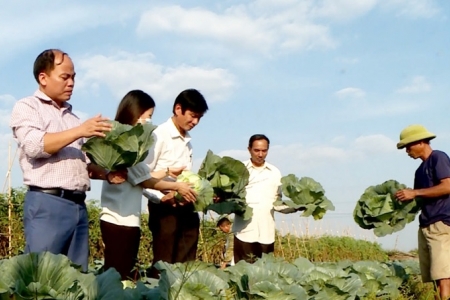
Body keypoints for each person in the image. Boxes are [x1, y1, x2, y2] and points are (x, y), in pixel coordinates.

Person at [9, 49, 126, 272]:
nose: (71, 83)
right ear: (43, 78)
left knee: (75, 280)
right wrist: (80, 130)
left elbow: (82, 162)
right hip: (47, 204)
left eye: (73, 77)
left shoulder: (72, 118)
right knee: (40, 278)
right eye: (65, 77)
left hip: (77, 207)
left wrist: (107, 174)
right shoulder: (27, 107)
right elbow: (35, 146)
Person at [100, 90, 197, 280]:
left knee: (122, 275)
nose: (149, 122)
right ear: (134, 113)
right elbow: (145, 180)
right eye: (148, 116)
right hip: (117, 219)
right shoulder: (124, 144)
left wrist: (169, 172)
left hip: (128, 219)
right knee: (116, 276)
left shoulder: (131, 143)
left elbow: (144, 175)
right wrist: (177, 187)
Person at [144, 88, 208, 278]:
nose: (195, 122)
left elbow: (185, 176)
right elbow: (142, 175)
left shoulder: (187, 142)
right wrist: (162, 197)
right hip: (164, 207)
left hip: (185, 206)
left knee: (187, 260)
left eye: (199, 118)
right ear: (178, 109)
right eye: (193, 116)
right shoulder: (158, 135)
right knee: (164, 262)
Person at [395, 124, 450, 300]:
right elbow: (419, 199)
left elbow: (447, 186)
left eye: (408, 146)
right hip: (426, 225)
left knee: (443, 274)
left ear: (420, 142)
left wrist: (415, 192)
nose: (407, 151)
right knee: (434, 275)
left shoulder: (438, 158)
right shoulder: (419, 171)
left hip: (441, 223)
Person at [232, 134, 283, 263]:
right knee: (241, 275)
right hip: (244, 232)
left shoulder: (275, 172)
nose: (260, 154)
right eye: (256, 150)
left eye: (264, 150)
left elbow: (278, 202)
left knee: (265, 275)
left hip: (267, 232)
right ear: (249, 149)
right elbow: (230, 197)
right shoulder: (239, 170)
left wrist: (297, 206)